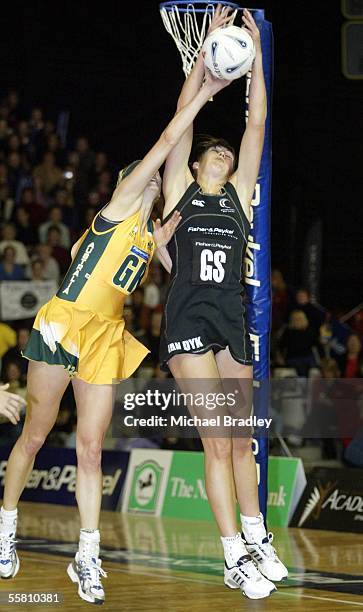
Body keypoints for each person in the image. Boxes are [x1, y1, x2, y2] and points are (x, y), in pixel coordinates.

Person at [0, 70, 229, 604]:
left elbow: (173, 251)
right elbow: (171, 141)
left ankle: (87, 555)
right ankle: (5, 529)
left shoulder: (150, 234)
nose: (156, 180)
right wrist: (204, 91)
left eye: (155, 181)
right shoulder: (123, 201)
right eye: (148, 175)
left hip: (106, 336)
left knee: (91, 448)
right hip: (66, 322)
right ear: (132, 178)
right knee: (35, 434)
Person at [158, 7, 287, 599]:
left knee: (240, 440)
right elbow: (181, 125)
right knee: (216, 442)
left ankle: (257, 537)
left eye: (227, 155)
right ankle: (233, 557)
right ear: (192, 167)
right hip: (189, 321)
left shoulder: (237, 195)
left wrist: (257, 54)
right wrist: (206, 50)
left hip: (231, 319)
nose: (224, 155)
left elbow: (256, 123)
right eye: (212, 153)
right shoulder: (180, 189)